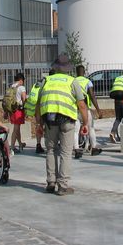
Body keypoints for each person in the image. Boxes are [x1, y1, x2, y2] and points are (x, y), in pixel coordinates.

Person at [35, 55, 89, 196]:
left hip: (49, 121)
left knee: (51, 150)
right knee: (65, 152)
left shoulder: (46, 80)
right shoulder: (72, 81)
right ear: (67, 68)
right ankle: (63, 186)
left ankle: (51, 182)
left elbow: (38, 103)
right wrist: (85, 123)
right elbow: (82, 105)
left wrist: (39, 123)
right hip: (67, 120)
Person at [74, 65, 103, 158]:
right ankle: (93, 148)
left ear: (76, 72)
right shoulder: (88, 82)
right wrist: (98, 110)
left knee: (75, 130)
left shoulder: (72, 81)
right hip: (85, 109)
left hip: (75, 109)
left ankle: (77, 149)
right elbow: (92, 96)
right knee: (90, 128)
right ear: (84, 72)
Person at [24, 72, 49, 154]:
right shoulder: (47, 86)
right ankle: (49, 146)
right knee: (48, 128)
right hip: (46, 110)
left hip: (37, 110)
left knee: (39, 126)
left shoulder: (36, 86)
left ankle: (38, 145)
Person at [9, 73, 27, 154]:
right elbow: (23, 98)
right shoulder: (21, 87)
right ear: (21, 80)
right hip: (19, 110)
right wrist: (25, 106)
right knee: (16, 129)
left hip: (12, 109)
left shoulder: (12, 86)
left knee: (17, 128)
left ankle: (20, 144)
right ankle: (12, 147)